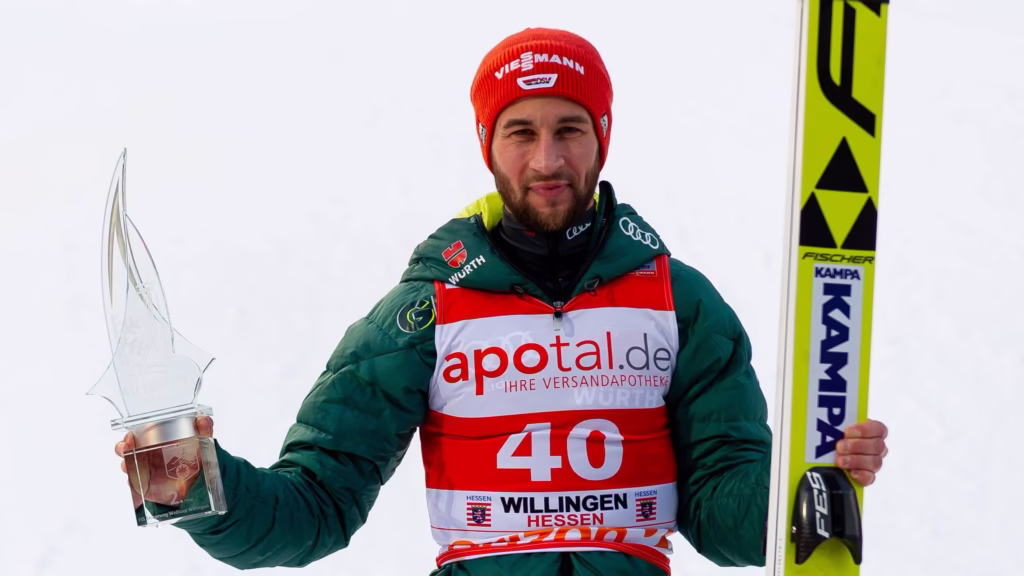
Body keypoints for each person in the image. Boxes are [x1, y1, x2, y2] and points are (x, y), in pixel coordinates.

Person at [114, 28, 889, 575]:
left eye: (569, 129)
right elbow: (313, 508)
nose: (546, 159)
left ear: (603, 136)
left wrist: (800, 492)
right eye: (520, 132)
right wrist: (197, 487)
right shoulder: (423, 314)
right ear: (488, 144)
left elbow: (723, 516)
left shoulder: (678, 303)